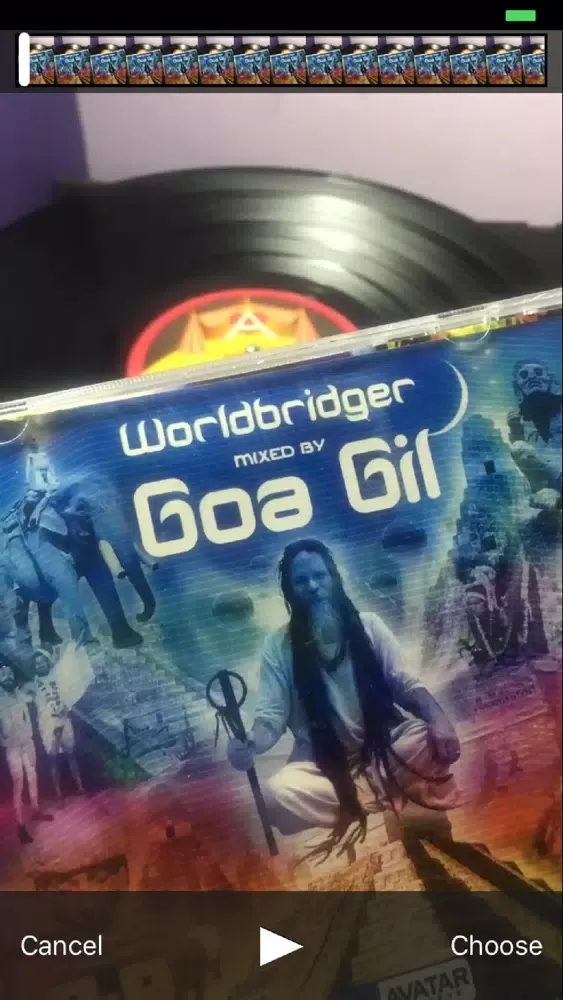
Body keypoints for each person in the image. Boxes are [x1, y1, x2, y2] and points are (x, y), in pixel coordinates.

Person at [227, 539, 460, 853]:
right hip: (324, 765)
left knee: (424, 738)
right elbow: (271, 717)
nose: (312, 586)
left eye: (319, 576)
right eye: (301, 581)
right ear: (290, 592)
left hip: (386, 749)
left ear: (333, 578)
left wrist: (439, 720)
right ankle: (381, 791)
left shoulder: (369, 626)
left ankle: (357, 798)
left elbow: (404, 683)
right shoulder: (278, 646)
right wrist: (250, 744)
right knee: (280, 789)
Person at [0, 661, 53, 844]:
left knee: (32, 777)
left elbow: (33, 692)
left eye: (9, 673)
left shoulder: (21, 693)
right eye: (3, 674)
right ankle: (20, 825)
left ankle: (36, 810)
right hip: (12, 747)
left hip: (27, 742)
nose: (7, 676)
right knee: (18, 783)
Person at [27, 649, 86, 807]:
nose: (40, 665)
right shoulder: (32, 685)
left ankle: (81, 788)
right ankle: (58, 795)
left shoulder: (59, 678)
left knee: (71, 755)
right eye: (37, 663)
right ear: (34, 666)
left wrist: (66, 707)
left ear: (47, 662)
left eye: (42, 662)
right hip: (47, 725)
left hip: (64, 719)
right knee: (52, 760)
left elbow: (70, 693)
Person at [22, 438, 59, 530]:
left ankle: (35, 515)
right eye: (32, 446)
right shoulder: (30, 456)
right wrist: (27, 479)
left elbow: (50, 465)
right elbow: (28, 468)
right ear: (31, 448)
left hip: (48, 476)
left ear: (37, 446)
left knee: (49, 491)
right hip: (39, 478)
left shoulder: (43, 454)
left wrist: (54, 476)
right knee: (42, 494)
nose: (34, 447)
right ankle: (33, 517)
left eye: (35, 445)